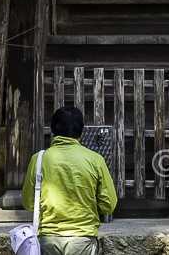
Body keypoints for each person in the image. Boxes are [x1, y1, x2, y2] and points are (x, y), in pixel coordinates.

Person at [23, 105, 117, 255]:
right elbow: (108, 205)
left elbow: (28, 204)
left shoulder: (38, 159)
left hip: (48, 239)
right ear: (81, 133)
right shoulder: (95, 160)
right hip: (83, 238)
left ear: (53, 131)